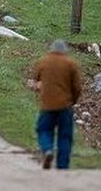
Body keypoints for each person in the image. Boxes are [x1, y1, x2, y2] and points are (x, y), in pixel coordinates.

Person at [27, 39, 82, 170]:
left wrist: (39, 88)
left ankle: (47, 150)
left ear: (51, 49)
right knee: (65, 136)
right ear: (65, 51)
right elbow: (77, 87)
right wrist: (73, 101)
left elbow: (36, 80)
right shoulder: (71, 64)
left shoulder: (43, 62)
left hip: (47, 106)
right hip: (65, 106)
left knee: (44, 129)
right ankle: (63, 167)